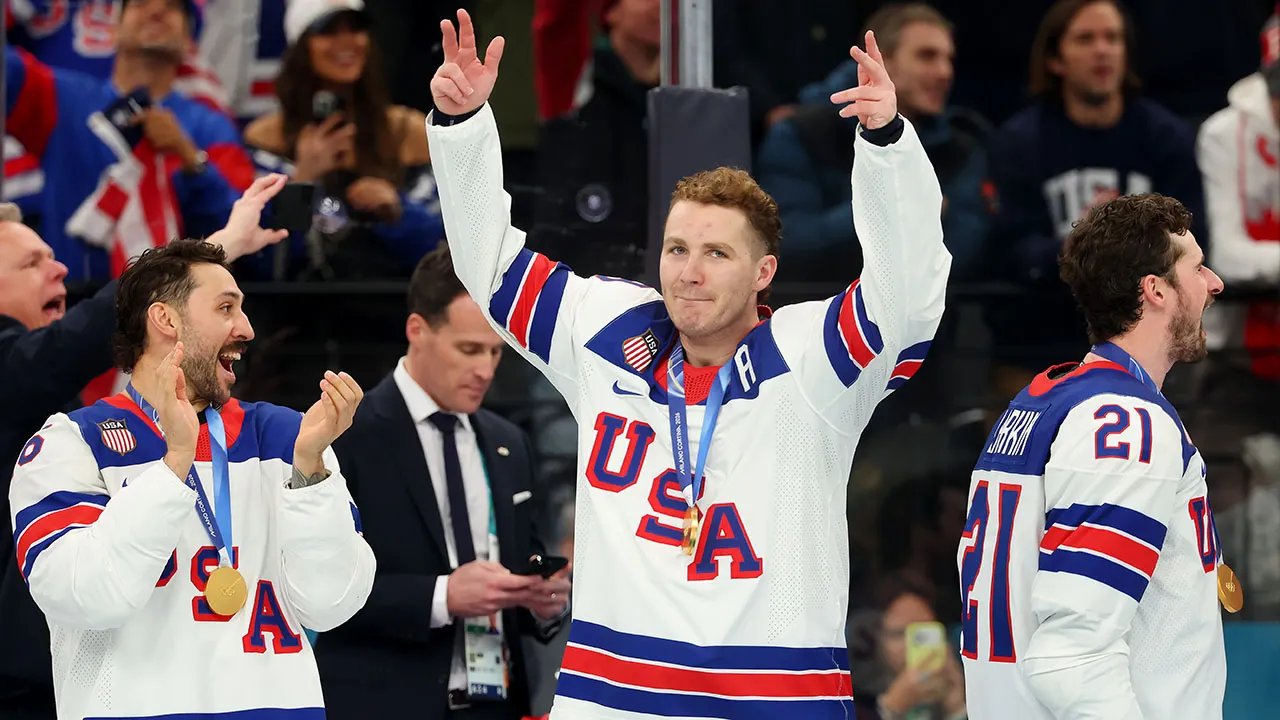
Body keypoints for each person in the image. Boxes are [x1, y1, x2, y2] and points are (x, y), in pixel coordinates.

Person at [427, 9, 950, 717]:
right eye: (677, 249)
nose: (689, 272)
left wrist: (885, 145)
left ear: (764, 272)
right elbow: (491, 268)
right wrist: (462, 127)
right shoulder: (607, 334)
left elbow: (907, 298)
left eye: (717, 253)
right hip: (616, 697)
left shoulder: (814, 362)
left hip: (771, 699)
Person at [6, 235, 375, 718]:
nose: (246, 328)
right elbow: (87, 596)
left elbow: (332, 603)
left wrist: (310, 474)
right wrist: (175, 460)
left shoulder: (291, 439)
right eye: (225, 308)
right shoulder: (69, 443)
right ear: (165, 319)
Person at [0, 173, 289, 718]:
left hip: (85, 657)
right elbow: (69, 345)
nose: (60, 269)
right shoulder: (24, 371)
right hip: (27, 670)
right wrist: (213, 252)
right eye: (31, 263)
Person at [957, 193, 1227, 719]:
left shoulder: (1041, 402)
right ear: (1155, 290)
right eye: (1196, 268)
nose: (1214, 283)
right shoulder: (1126, 421)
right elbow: (1072, 659)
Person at [316, 243, 570, 719]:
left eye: (495, 352)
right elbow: (318, 591)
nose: (485, 370)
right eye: (469, 349)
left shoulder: (509, 441)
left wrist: (544, 602)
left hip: (498, 704)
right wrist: (442, 597)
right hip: (384, 704)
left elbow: (527, 562)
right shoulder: (344, 434)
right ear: (417, 330)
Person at [984, 0, 1204, 395]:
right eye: (1085, 39)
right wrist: (1098, 251)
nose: (1102, 50)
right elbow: (1010, 248)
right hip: (1039, 348)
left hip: (1147, 349)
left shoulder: (1166, 139)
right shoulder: (1019, 143)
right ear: (1055, 59)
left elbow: (1193, 239)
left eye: (1112, 38)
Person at [758, 2, 991, 283]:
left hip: (928, 309)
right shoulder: (801, 133)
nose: (945, 72)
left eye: (948, 59)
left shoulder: (959, 147)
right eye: (926, 56)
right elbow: (788, 244)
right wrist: (887, 206)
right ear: (881, 62)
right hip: (820, 304)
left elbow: (967, 251)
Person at [241, 0, 444, 281]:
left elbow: (443, 251)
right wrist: (303, 179)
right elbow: (267, 262)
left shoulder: (407, 130)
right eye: (329, 31)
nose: (347, 42)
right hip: (300, 302)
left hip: (394, 297)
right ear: (301, 45)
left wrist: (398, 210)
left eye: (356, 28)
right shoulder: (266, 137)